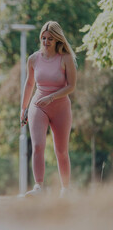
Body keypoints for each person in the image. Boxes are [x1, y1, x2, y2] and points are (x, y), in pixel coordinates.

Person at [20, 21, 77, 198]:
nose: (46, 42)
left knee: (61, 150)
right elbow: (29, 84)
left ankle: (65, 189)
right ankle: (38, 186)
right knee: (38, 146)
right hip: (38, 106)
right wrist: (23, 108)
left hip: (61, 108)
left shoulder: (65, 58)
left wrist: (51, 97)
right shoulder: (33, 59)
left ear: (57, 39)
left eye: (50, 39)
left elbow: (71, 86)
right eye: (43, 38)